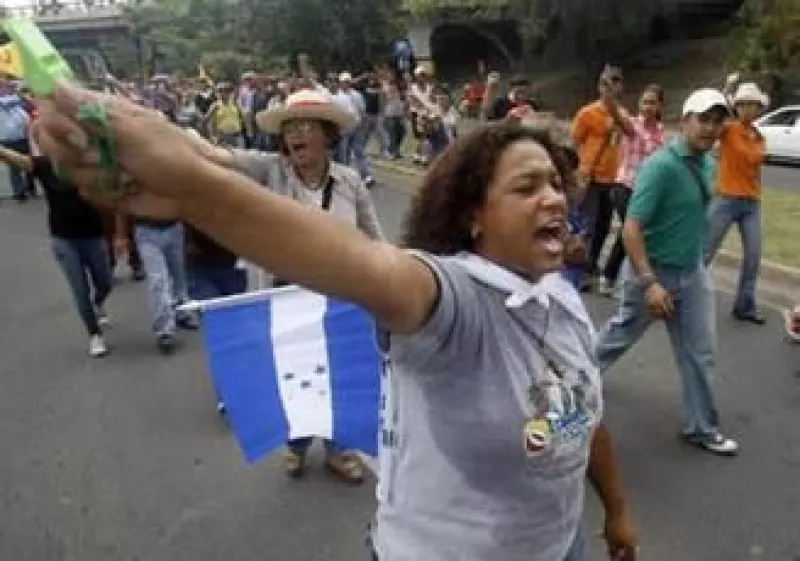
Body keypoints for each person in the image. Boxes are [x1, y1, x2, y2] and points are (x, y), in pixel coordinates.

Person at [35, 82, 638, 561]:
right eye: (527, 187)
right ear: (474, 217)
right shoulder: (452, 301)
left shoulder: (562, 304)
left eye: (557, 184)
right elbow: (379, 270)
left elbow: (583, 417)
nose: (555, 198)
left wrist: (614, 509)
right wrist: (190, 183)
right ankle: (307, 447)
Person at [189, 88, 383, 484]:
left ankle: (338, 450)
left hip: (340, 300)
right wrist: (157, 131)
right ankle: (295, 445)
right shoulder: (268, 171)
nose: (295, 135)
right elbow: (214, 156)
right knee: (296, 376)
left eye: (306, 126)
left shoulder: (348, 181)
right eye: (290, 127)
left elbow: (375, 240)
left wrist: (387, 285)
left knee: (340, 378)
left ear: (327, 134)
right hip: (286, 300)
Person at [594, 89, 740, 457]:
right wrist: (650, 283)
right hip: (652, 275)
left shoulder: (707, 163)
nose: (710, 128)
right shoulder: (661, 166)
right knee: (620, 334)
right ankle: (576, 378)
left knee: (700, 352)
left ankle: (701, 427)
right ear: (685, 120)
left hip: (691, 274)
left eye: (717, 120)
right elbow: (631, 228)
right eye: (703, 119)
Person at [0, 145, 112, 357]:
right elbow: (17, 159)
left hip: (93, 236)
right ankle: (94, 334)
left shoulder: (88, 164)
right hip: (64, 239)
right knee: (80, 291)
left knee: (104, 283)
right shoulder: (44, 165)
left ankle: (98, 304)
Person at [704, 77, 769, 325]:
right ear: (737, 106)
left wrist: (757, 192)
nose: (748, 109)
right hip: (726, 198)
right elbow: (711, 118)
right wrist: (726, 89)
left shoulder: (759, 136)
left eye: (753, 105)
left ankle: (744, 306)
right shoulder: (728, 129)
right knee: (705, 251)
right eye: (743, 104)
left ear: (759, 109)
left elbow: (755, 169)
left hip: (751, 202)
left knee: (753, 256)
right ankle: (681, 296)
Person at [598, 84, 666, 297]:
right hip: (624, 187)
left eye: (652, 102)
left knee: (628, 234)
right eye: (644, 102)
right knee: (633, 232)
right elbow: (618, 116)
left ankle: (609, 278)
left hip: (645, 191)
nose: (647, 107)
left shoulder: (662, 133)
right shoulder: (633, 126)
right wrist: (609, 97)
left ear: (660, 106)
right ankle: (624, 281)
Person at [571, 65, 635, 290]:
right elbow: (575, 142)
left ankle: (589, 266)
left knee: (603, 226)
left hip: (612, 179)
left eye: (617, 82)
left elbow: (631, 132)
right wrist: (581, 171)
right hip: (590, 177)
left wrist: (613, 109)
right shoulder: (587, 113)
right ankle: (578, 271)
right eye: (608, 83)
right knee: (587, 225)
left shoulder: (622, 114)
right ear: (599, 86)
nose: (613, 87)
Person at [0, 79, 33, 202]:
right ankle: (20, 192)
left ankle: (28, 187)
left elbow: (28, 109)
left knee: (28, 163)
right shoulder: (15, 101)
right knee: (15, 167)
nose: (4, 89)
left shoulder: (18, 101)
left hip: (22, 136)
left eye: (5, 87)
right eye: (2, 87)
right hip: (8, 139)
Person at [204, 83, 246, 148]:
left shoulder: (235, 103)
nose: (223, 93)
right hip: (222, 137)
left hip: (237, 136)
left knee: (240, 156)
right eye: (220, 91)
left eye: (227, 91)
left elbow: (243, 117)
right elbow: (206, 121)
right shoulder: (215, 106)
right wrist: (211, 136)